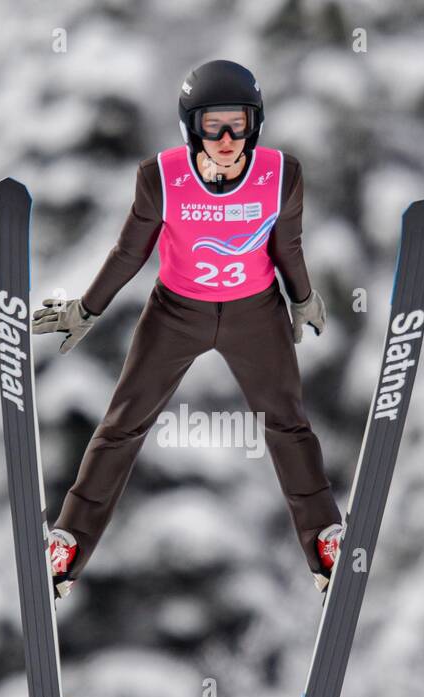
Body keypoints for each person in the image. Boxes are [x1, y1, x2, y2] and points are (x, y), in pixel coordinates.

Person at [32, 59, 343, 598]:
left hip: (255, 314)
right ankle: (68, 545)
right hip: (177, 313)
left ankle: (323, 540)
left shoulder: (281, 175)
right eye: (212, 125)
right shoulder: (162, 178)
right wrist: (87, 310)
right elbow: (130, 252)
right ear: (190, 126)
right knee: (124, 424)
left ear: (256, 123)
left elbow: (285, 244)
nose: (226, 139)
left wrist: (302, 297)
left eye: (238, 124)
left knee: (287, 424)